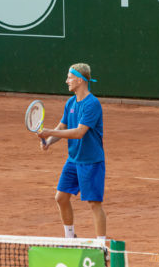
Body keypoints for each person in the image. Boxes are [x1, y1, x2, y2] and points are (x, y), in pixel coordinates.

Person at [37, 63, 106, 240]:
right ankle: (70, 238)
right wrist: (49, 142)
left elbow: (79, 132)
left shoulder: (92, 104)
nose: (66, 80)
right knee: (61, 198)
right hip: (73, 160)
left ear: (80, 80)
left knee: (94, 204)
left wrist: (50, 132)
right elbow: (63, 125)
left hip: (91, 161)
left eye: (69, 77)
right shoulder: (71, 102)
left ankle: (101, 245)